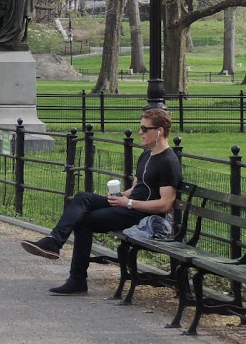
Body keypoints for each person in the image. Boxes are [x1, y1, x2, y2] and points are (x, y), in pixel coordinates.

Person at [22, 106, 182, 295]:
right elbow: (137, 188)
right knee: (82, 197)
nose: (140, 132)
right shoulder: (147, 154)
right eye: (141, 128)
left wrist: (128, 203)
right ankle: (54, 242)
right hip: (129, 206)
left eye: (145, 129)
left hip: (143, 216)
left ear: (160, 131)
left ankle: (76, 279)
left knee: (84, 221)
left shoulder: (168, 162)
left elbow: (165, 204)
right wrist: (122, 195)